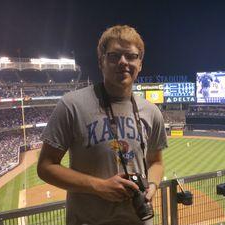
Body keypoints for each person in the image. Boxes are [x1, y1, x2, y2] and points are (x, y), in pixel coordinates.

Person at [37, 25, 168, 225]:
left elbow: (156, 162)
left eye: (131, 56)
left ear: (140, 64)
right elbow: (45, 166)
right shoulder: (71, 105)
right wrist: (98, 186)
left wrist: (152, 184)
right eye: (114, 56)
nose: (123, 62)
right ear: (101, 61)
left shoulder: (152, 112)